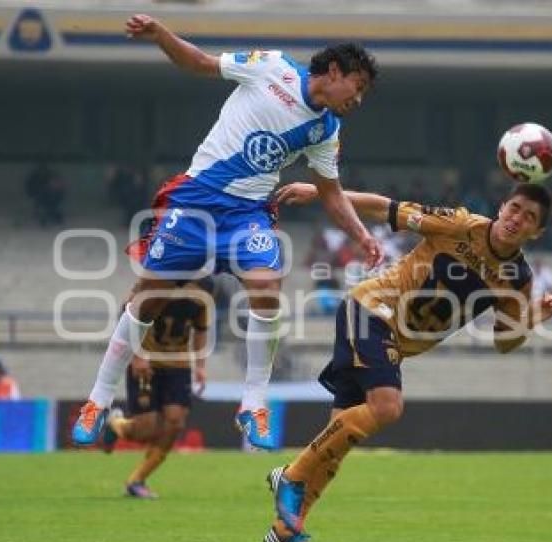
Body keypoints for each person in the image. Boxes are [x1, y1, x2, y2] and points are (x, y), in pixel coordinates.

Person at [71, 14, 384, 450]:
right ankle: (98, 399)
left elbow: (331, 193)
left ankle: (253, 403)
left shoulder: (326, 130)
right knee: (148, 296)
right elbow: (199, 63)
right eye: (359, 86)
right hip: (196, 201)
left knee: (266, 284)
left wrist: (362, 236)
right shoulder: (271, 66)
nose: (359, 98)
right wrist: (161, 34)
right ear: (335, 72)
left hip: (247, 214)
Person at [261, 181, 552, 542]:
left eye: (530, 217)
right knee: (387, 407)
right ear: (502, 206)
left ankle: (287, 530)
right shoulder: (459, 224)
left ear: (538, 232)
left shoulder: (517, 279)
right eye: (515, 208)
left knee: (336, 446)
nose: (518, 219)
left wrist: (532, 318)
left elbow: (506, 341)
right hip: (369, 309)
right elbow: (385, 207)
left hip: (392, 343)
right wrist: (321, 192)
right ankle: (290, 477)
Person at [102, 280, 211, 498]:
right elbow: (127, 316)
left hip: (178, 367)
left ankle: (137, 480)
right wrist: (137, 355)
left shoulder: (203, 292)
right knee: (148, 428)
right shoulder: (155, 282)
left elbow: (200, 329)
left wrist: (200, 366)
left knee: (175, 423)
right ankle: (116, 425)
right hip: (147, 364)